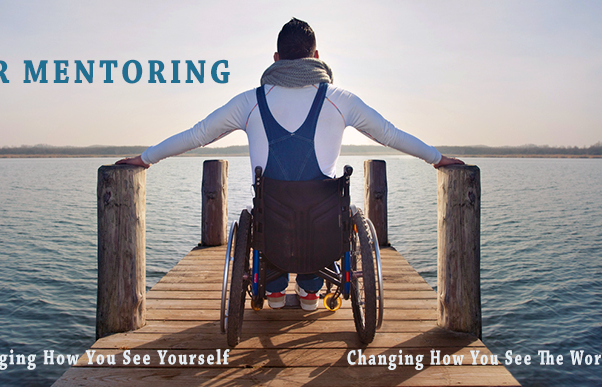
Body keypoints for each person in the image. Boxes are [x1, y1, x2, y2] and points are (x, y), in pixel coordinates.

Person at [118, 18, 463, 310]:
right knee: (323, 208)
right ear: (316, 56)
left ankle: (273, 287)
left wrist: (145, 159)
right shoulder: (340, 100)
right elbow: (389, 134)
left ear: (276, 58)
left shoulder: (250, 102)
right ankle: (312, 287)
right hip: (325, 225)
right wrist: (437, 159)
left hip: (273, 223)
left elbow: (198, 134)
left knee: (274, 209)